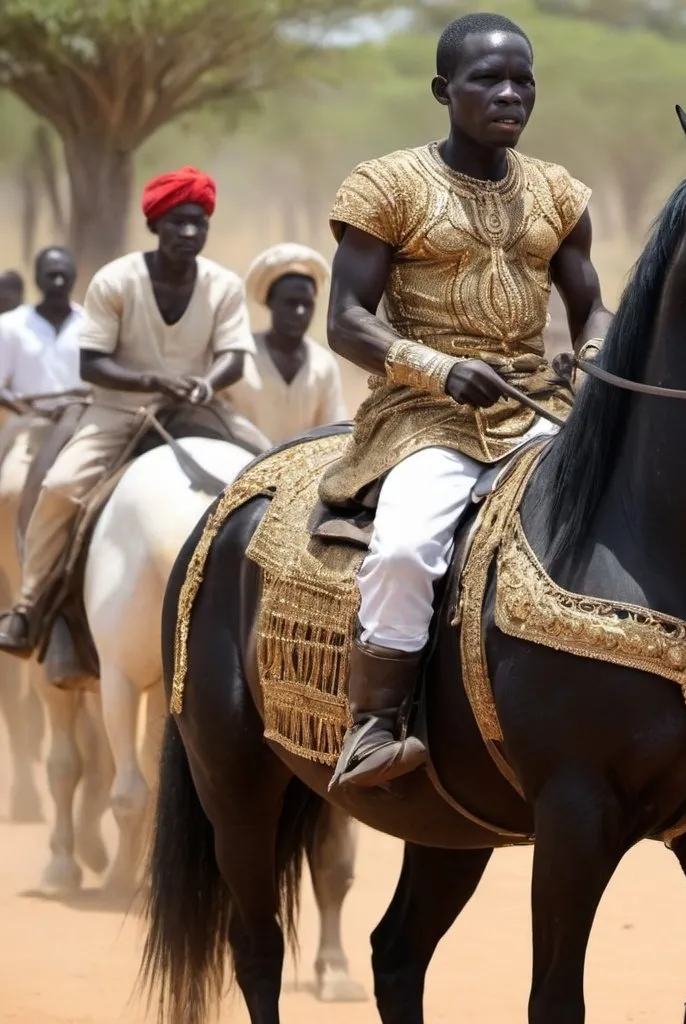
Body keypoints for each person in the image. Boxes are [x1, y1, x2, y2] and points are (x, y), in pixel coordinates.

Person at [324, 12, 612, 790]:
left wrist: (594, 362)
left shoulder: (558, 192)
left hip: (537, 409)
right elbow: (345, 321)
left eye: (523, 80)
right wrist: (438, 369)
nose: (510, 94)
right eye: (489, 79)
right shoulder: (386, 186)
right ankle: (375, 726)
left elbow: (591, 306)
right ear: (443, 90)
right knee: (406, 549)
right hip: (423, 418)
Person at [0, 166, 270, 657]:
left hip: (199, 407)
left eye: (198, 223)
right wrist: (149, 380)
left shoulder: (222, 284)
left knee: (275, 468)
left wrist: (206, 384)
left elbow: (233, 355)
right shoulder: (116, 279)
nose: (189, 233)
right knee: (60, 487)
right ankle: (29, 604)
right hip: (118, 411)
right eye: (177, 223)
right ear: (155, 226)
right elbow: (93, 362)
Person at [225, 242, 347, 444]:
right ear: (270, 302)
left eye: (306, 304)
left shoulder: (323, 363)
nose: (300, 312)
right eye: (291, 303)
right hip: (241, 468)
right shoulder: (240, 357)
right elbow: (221, 421)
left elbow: (333, 428)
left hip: (304, 471)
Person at [0, 247, 85, 517]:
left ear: (74, 278)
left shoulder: (92, 324)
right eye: (51, 275)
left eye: (64, 275)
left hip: (81, 423)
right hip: (27, 424)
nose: (58, 282)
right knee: (9, 491)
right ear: (37, 279)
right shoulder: (10, 325)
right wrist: (29, 410)